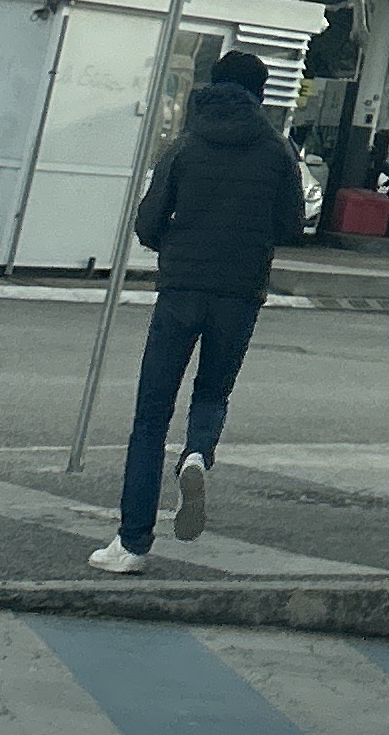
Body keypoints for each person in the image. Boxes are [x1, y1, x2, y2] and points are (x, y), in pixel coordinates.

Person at [89, 47, 305, 572]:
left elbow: (147, 222)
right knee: (212, 393)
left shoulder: (185, 146)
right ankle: (197, 454)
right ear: (260, 95)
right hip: (240, 293)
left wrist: (175, 242)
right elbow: (291, 226)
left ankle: (131, 544)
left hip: (181, 290)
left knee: (150, 416)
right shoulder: (277, 151)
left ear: (212, 85)